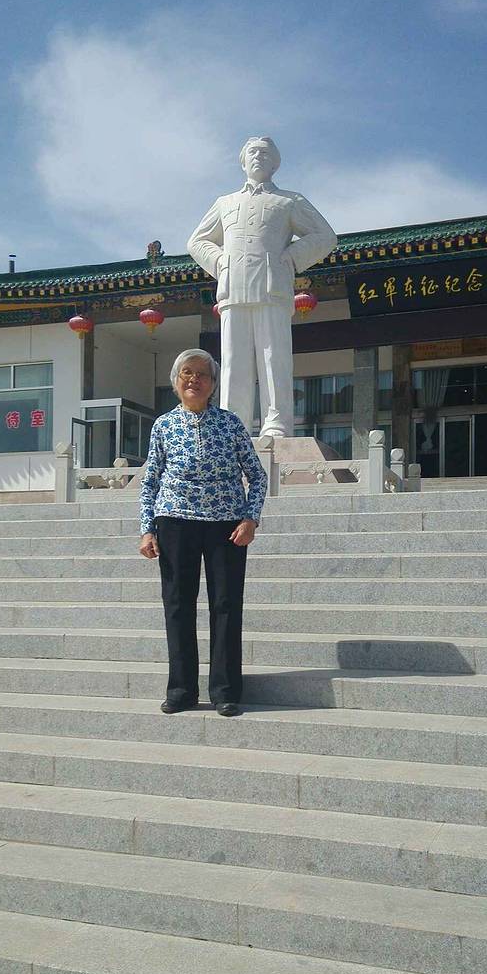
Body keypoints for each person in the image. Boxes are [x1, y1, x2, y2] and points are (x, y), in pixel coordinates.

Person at [139, 349, 267, 717]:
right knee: (178, 605)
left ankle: (225, 690)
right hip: (175, 522)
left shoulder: (230, 424)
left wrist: (251, 519)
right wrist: (147, 529)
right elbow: (150, 481)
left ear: (213, 384)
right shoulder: (163, 425)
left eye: (202, 374)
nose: (194, 380)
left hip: (226, 526)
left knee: (226, 605)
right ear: (176, 381)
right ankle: (181, 690)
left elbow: (257, 476)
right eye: (187, 373)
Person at [187, 136, 337, 437]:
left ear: (275, 164)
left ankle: (276, 422)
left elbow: (325, 236)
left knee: (274, 358)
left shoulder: (289, 201)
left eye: (265, 153)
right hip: (234, 288)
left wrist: (290, 258)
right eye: (253, 152)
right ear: (243, 162)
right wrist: (221, 261)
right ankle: (234, 425)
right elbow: (197, 241)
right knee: (234, 361)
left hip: (272, 287)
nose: (258, 157)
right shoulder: (225, 203)